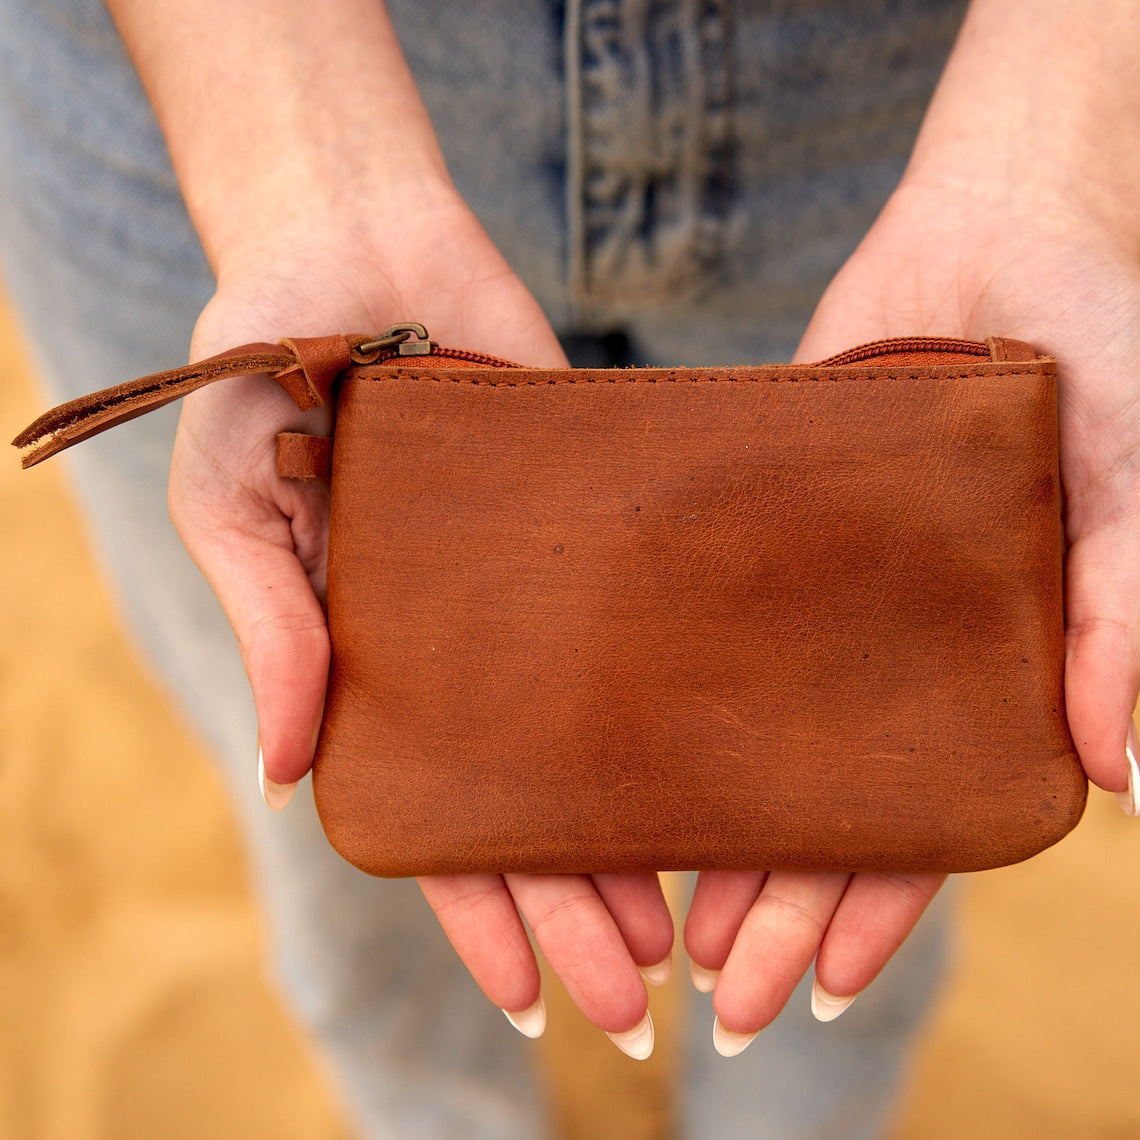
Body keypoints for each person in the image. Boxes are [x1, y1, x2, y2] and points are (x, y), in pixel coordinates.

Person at [1, 0, 1136, 1136]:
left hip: (929, 112)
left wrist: (1054, 165)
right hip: (228, 99)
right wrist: (298, 179)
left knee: (879, 815)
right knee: (356, 875)